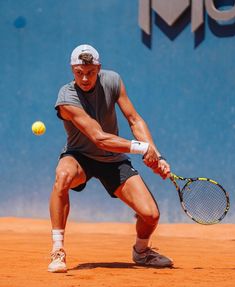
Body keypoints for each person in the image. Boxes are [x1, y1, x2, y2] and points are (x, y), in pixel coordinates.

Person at [48, 44, 173, 273]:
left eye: (90, 72)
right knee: (62, 177)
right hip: (80, 157)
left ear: (99, 68)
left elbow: (134, 120)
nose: (85, 78)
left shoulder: (113, 81)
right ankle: (58, 250)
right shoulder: (66, 97)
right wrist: (142, 148)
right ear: (72, 70)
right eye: (79, 72)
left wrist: (157, 155)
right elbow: (99, 138)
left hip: (113, 160)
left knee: (151, 215)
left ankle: (142, 251)